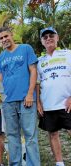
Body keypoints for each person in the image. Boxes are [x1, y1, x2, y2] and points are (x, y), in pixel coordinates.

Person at [0, 27, 40, 166]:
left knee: (30, 136)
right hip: (8, 102)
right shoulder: (0, 58)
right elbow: (1, 80)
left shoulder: (26, 48)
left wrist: (29, 94)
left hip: (25, 99)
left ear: (12, 35)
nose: (4, 39)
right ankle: (15, 164)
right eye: (1, 38)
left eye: (6, 36)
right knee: (12, 136)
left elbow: (33, 71)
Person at [37, 27, 71, 166]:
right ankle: (59, 163)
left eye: (51, 35)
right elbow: (37, 84)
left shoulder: (68, 54)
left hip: (66, 103)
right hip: (48, 104)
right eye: (45, 37)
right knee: (52, 134)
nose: (48, 38)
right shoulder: (39, 61)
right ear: (42, 42)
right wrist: (38, 103)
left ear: (57, 37)